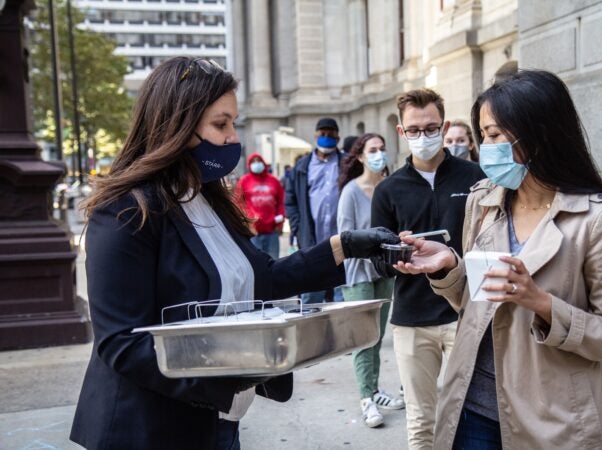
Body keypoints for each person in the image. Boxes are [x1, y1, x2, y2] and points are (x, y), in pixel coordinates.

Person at [69, 56, 401, 450]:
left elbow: (266, 277)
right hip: (146, 429)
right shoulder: (126, 212)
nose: (231, 138)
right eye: (220, 124)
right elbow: (122, 343)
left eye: (233, 123)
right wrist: (230, 381)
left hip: (217, 424)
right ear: (176, 125)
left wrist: (346, 248)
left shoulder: (209, 201)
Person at [395, 69, 602, 449]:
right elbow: (479, 305)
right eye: (483, 135)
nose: (486, 147)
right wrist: (451, 267)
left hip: (553, 418)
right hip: (472, 407)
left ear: (539, 135)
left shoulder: (598, 219)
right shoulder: (484, 202)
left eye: (494, 135)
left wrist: (540, 303)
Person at [371, 88, 484, 449]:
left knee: (470, 411)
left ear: (445, 126)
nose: (424, 136)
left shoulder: (475, 177)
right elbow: (377, 261)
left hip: (464, 313)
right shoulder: (388, 190)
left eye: (431, 128)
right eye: (414, 130)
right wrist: (396, 257)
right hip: (412, 317)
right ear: (401, 133)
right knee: (421, 418)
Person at [337, 133, 404, 428]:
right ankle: (366, 398)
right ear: (361, 157)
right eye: (372, 150)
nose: (379, 154)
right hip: (358, 273)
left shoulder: (390, 188)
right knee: (363, 338)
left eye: (382, 149)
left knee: (377, 335)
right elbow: (345, 238)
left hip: (385, 272)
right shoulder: (351, 192)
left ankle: (374, 390)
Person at [285, 117, 346, 303]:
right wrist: (297, 226)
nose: (326, 137)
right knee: (312, 295)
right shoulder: (302, 167)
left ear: (338, 137)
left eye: (331, 134)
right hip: (312, 242)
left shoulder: (346, 164)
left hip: (342, 241)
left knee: (342, 294)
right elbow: (290, 200)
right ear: (315, 136)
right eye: (322, 134)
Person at [235, 152, 285, 258]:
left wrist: (280, 223)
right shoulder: (244, 181)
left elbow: (281, 203)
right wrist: (247, 220)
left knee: (274, 262)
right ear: (249, 165)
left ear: (263, 163)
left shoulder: (274, 181)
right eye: (253, 161)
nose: (256, 163)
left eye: (259, 161)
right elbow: (238, 203)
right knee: (256, 263)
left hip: (272, 230)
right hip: (253, 231)